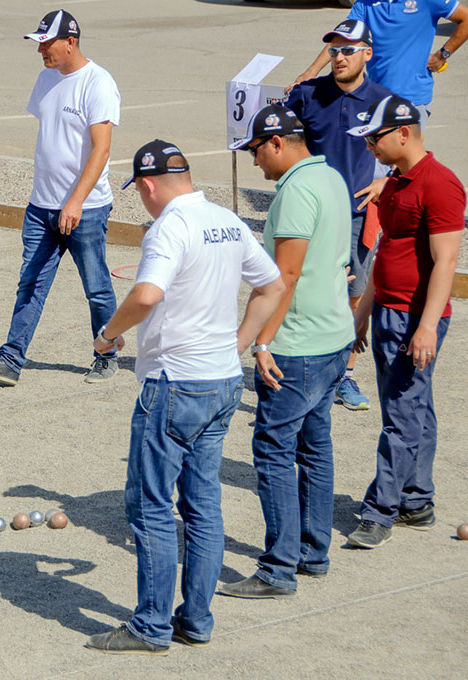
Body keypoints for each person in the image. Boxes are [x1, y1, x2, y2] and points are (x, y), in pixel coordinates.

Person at [84, 141, 284, 654]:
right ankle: (195, 619)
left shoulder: (169, 226)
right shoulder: (226, 220)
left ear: (148, 185)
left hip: (175, 383)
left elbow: (147, 293)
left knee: (150, 507)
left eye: (140, 192)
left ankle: (150, 626)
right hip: (221, 382)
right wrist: (237, 344)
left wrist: (108, 334)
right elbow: (273, 285)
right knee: (203, 506)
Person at [218, 105, 354, 599]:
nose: (255, 162)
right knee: (315, 450)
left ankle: (277, 569)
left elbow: (285, 276)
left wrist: (262, 341)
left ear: (276, 142)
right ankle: (312, 553)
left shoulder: (295, 190)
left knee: (274, 452)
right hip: (333, 337)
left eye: (256, 150)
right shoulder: (332, 177)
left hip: (296, 347)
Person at [0, 9, 121, 386]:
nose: (41, 51)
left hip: (86, 209)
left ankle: (107, 356)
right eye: (39, 44)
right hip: (41, 207)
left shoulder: (98, 83)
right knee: (30, 284)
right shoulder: (45, 79)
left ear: (71, 42)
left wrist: (75, 201)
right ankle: (11, 361)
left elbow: (100, 151)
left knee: (96, 288)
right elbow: (53, 138)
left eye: (46, 44)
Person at [344, 96, 465, 549]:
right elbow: (385, 254)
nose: (369, 147)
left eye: (374, 138)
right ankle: (416, 499)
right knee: (415, 408)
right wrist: (362, 315)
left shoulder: (440, 184)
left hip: (415, 317)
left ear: (403, 132)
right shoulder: (393, 184)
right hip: (388, 314)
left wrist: (427, 325)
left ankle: (381, 511)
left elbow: (446, 261)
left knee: (400, 413)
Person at [286, 20, 392, 411]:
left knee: (351, 294)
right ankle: (302, 371)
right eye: (334, 50)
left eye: (348, 50)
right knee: (300, 289)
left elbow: (409, 149)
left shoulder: (383, 100)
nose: (339, 57)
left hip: (357, 214)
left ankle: (343, 374)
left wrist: (387, 182)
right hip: (310, 213)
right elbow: (279, 143)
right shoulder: (307, 94)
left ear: (367, 53)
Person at [289, 0, 468, 119]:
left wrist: (442, 55)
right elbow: (341, 40)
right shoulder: (365, 4)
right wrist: (311, 72)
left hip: (412, 98)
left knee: (402, 167)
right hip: (374, 97)